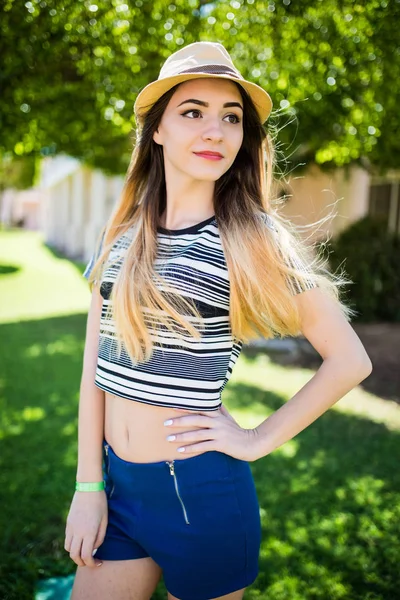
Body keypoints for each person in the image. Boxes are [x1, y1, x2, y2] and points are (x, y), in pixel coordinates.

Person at [64, 41, 372, 600]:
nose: (216, 131)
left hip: (202, 494)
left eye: (231, 118)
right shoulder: (121, 235)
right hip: (117, 489)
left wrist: (256, 438)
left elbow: (350, 359)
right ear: (156, 130)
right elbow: (94, 371)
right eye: (192, 113)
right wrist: (88, 487)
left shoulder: (251, 238)